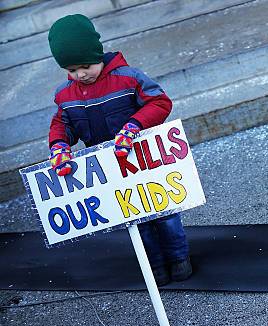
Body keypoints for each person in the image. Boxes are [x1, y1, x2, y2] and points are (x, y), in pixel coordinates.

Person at [46, 14, 192, 286]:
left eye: (86, 65)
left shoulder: (128, 77)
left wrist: (134, 125)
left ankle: (179, 257)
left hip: (144, 159)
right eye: (72, 69)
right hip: (112, 171)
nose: (80, 74)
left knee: (165, 213)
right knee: (135, 220)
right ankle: (155, 265)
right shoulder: (66, 95)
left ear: (97, 53)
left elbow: (159, 102)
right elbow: (62, 124)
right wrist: (59, 146)